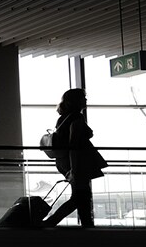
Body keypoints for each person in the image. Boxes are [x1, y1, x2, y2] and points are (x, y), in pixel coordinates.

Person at [43, 88, 107, 227]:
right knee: (80, 196)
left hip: (64, 161)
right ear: (76, 101)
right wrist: (74, 169)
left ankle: (86, 225)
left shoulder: (63, 118)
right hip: (76, 162)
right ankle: (51, 222)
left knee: (81, 195)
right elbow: (74, 145)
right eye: (83, 98)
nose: (86, 100)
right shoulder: (77, 117)